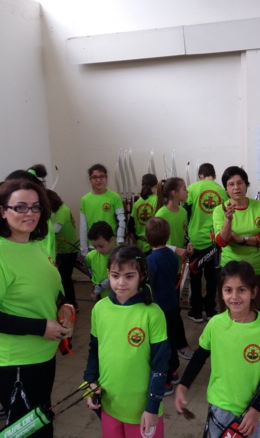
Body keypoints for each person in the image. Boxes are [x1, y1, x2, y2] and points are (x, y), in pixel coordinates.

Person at [0, 179, 73, 438]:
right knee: (31, 431)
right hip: (13, 362)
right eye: (21, 207)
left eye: (36, 207)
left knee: (42, 425)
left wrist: (65, 307)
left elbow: (51, 290)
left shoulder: (35, 244)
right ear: (2, 211)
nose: (30, 213)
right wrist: (40, 327)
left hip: (43, 355)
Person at [174, 261, 260, 438]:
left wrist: (256, 408)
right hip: (220, 406)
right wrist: (183, 385)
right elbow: (199, 357)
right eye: (228, 290)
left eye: (241, 290)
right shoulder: (215, 324)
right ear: (221, 293)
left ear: (253, 292)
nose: (234, 296)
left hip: (252, 413)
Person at [83, 245, 169, 438]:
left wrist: (152, 407)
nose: (121, 283)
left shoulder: (152, 313)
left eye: (129, 276)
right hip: (109, 405)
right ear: (108, 274)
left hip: (143, 411)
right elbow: (94, 350)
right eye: (115, 276)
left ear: (141, 276)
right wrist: (89, 384)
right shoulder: (99, 309)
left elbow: (161, 365)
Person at [213, 166, 260, 319]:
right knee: (233, 313)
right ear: (226, 189)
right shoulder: (220, 210)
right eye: (231, 184)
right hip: (232, 271)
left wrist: (242, 239)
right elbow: (222, 241)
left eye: (240, 183)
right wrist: (228, 220)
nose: (236, 187)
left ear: (246, 185)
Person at [146, 217, 192, 395]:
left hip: (159, 308)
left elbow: (150, 284)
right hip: (172, 304)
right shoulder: (172, 256)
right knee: (171, 340)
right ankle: (173, 371)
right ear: (168, 235)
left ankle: (165, 381)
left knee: (160, 344)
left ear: (147, 238)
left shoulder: (151, 260)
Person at [185, 163, 228, 322]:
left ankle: (196, 311)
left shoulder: (192, 188)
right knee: (212, 278)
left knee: (195, 276)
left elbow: (186, 211)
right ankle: (210, 310)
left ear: (200, 175)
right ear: (214, 175)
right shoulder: (222, 191)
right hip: (214, 241)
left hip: (195, 240)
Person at [79, 164, 125, 256]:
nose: (98, 180)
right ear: (90, 179)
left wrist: (119, 241)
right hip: (93, 246)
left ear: (106, 178)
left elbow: (121, 220)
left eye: (101, 176)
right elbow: (83, 226)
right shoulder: (85, 199)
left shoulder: (115, 197)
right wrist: (83, 249)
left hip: (110, 245)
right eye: (95, 177)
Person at [47, 188, 79, 309]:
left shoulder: (62, 211)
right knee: (63, 278)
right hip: (64, 250)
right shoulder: (59, 211)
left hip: (67, 250)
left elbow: (55, 229)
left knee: (64, 279)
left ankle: (71, 303)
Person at [128, 173, 159, 254]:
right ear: (156, 186)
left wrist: (136, 239)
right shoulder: (157, 201)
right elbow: (160, 224)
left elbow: (130, 225)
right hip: (154, 245)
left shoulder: (137, 203)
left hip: (140, 245)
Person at [85, 221, 116, 299]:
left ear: (112, 239)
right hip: (101, 297)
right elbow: (87, 267)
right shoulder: (91, 256)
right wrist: (94, 280)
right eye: (95, 247)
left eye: (101, 246)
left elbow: (114, 277)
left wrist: (99, 287)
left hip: (118, 297)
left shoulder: (122, 255)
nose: (98, 250)